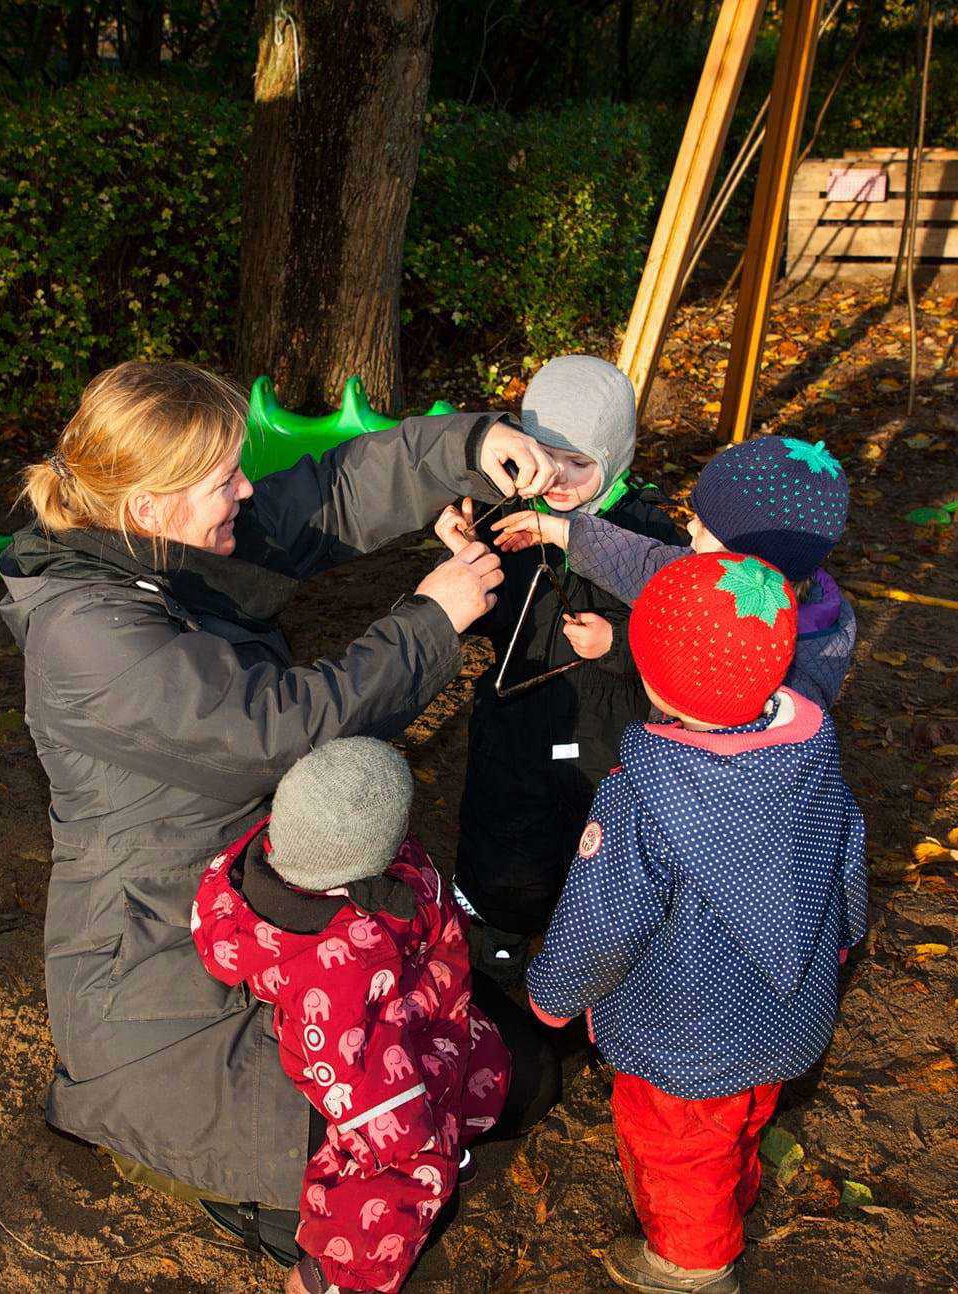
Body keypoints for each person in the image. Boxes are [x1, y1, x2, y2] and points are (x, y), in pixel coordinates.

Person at [0, 360, 564, 1261]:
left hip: (270, 897)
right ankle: (215, 1171)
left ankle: (274, 1154)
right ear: (148, 504)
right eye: (223, 478)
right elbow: (278, 731)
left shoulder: (151, 540)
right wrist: (428, 619)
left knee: (522, 1076)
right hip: (161, 972)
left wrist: (466, 446)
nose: (246, 489)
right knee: (386, 1164)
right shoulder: (87, 636)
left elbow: (328, 496)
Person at [524, 551, 867, 1294]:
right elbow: (847, 856)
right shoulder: (813, 751)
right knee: (740, 1119)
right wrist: (840, 942)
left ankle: (694, 1263)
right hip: (786, 1013)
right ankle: (732, 1195)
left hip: (684, 1033)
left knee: (677, 1152)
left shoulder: (640, 797)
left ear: (652, 680)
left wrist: (552, 991)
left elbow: (603, 922)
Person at [192, 738, 535, 1294]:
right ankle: (331, 1277)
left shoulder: (252, 859)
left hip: (420, 997)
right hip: (402, 1037)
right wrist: (422, 1153)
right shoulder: (341, 973)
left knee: (487, 1071)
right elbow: (375, 1110)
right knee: (414, 1149)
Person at [428, 355, 685, 987]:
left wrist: (617, 643)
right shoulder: (510, 514)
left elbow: (685, 640)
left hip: (608, 738)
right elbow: (491, 616)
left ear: (617, 456)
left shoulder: (649, 536)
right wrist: (467, 559)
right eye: (545, 459)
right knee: (508, 847)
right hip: (516, 726)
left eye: (581, 465)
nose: (559, 480)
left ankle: (596, 979)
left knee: (598, 856)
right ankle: (501, 950)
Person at [493, 433, 856, 711]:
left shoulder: (788, 678)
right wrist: (566, 532)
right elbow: (646, 564)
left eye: (707, 526)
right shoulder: (721, 577)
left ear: (752, 557)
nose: (691, 528)